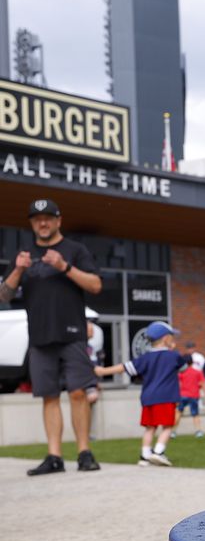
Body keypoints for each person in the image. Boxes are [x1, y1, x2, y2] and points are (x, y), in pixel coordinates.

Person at [0, 199, 103, 476]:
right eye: (36, 219)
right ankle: (54, 457)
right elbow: (4, 295)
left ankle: (84, 453)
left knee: (79, 393)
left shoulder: (75, 250)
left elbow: (95, 285)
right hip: (39, 337)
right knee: (48, 396)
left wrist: (64, 267)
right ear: (32, 223)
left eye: (48, 218)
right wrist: (18, 270)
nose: (42, 223)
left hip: (72, 334)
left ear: (58, 220)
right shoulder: (23, 254)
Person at [94, 321, 188, 466]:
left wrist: (103, 371)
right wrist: (173, 351)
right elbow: (183, 367)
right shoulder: (173, 356)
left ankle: (145, 456)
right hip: (166, 397)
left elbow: (125, 367)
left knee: (150, 427)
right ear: (166, 339)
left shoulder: (144, 358)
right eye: (171, 337)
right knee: (168, 426)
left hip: (148, 397)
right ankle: (158, 452)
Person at [177, 360, 205, 437]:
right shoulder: (197, 372)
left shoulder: (181, 373)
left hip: (183, 395)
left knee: (179, 412)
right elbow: (202, 383)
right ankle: (198, 431)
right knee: (195, 414)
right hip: (194, 395)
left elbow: (179, 385)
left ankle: (172, 431)